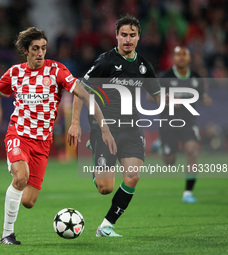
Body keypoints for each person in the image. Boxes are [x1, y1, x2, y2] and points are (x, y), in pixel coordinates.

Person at [0, 27, 116, 245]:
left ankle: (17, 182)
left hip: (42, 143)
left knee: (28, 201)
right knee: (20, 177)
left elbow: (83, 93)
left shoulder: (56, 70)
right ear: (25, 50)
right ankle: (7, 235)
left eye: (44, 48)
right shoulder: (14, 73)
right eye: (35, 48)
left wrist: (89, 125)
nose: (40, 53)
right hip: (18, 133)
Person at [68, 14, 162, 237]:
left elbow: (158, 96)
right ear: (116, 36)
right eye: (124, 35)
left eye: (132, 35)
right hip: (106, 129)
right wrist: (74, 123)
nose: (128, 39)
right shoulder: (106, 61)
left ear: (139, 37)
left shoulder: (144, 66)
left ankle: (107, 225)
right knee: (105, 188)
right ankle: (96, 163)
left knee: (132, 177)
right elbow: (79, 90)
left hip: (131, 129)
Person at [158, 46, 212, 203]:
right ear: (173, 58)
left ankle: (188, 192)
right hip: (169, 123)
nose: (181, 57)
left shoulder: (196, 78)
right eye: (177, 55)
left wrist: (205, 100)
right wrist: (165, 100)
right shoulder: (164, 77)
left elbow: (202, 96)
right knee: (169, 161)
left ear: (189, 58)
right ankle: (162, 145)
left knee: (192, 151)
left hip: (189, 122)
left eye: (184, 54)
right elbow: (150, 97)